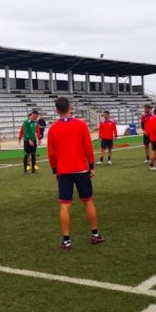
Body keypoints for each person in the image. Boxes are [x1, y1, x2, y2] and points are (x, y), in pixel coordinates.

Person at [47, 97, 105, 250]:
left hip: (63, 171)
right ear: (71, 107)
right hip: (81, 169)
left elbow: (51, 153)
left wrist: (55, 170)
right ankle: (95, 234)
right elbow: (88, 147)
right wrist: (91, 166)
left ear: (56, 110)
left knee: (65, 205)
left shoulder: (52, 128)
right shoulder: (81, 125)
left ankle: (66, 240)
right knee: (88, 201)